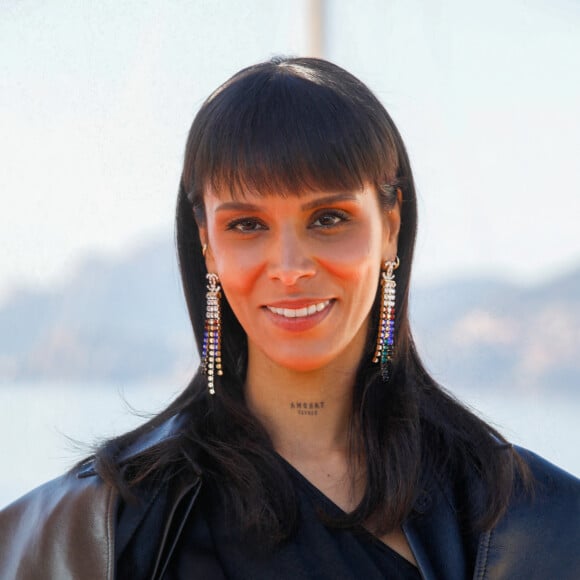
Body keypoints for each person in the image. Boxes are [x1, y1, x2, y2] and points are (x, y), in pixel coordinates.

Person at [0, 57, 579, 580]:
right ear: (207, 244)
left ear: (391, 224)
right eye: (247, 225)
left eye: (328, 218)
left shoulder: (536, 524)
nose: (290, 267)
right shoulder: (87, 532)